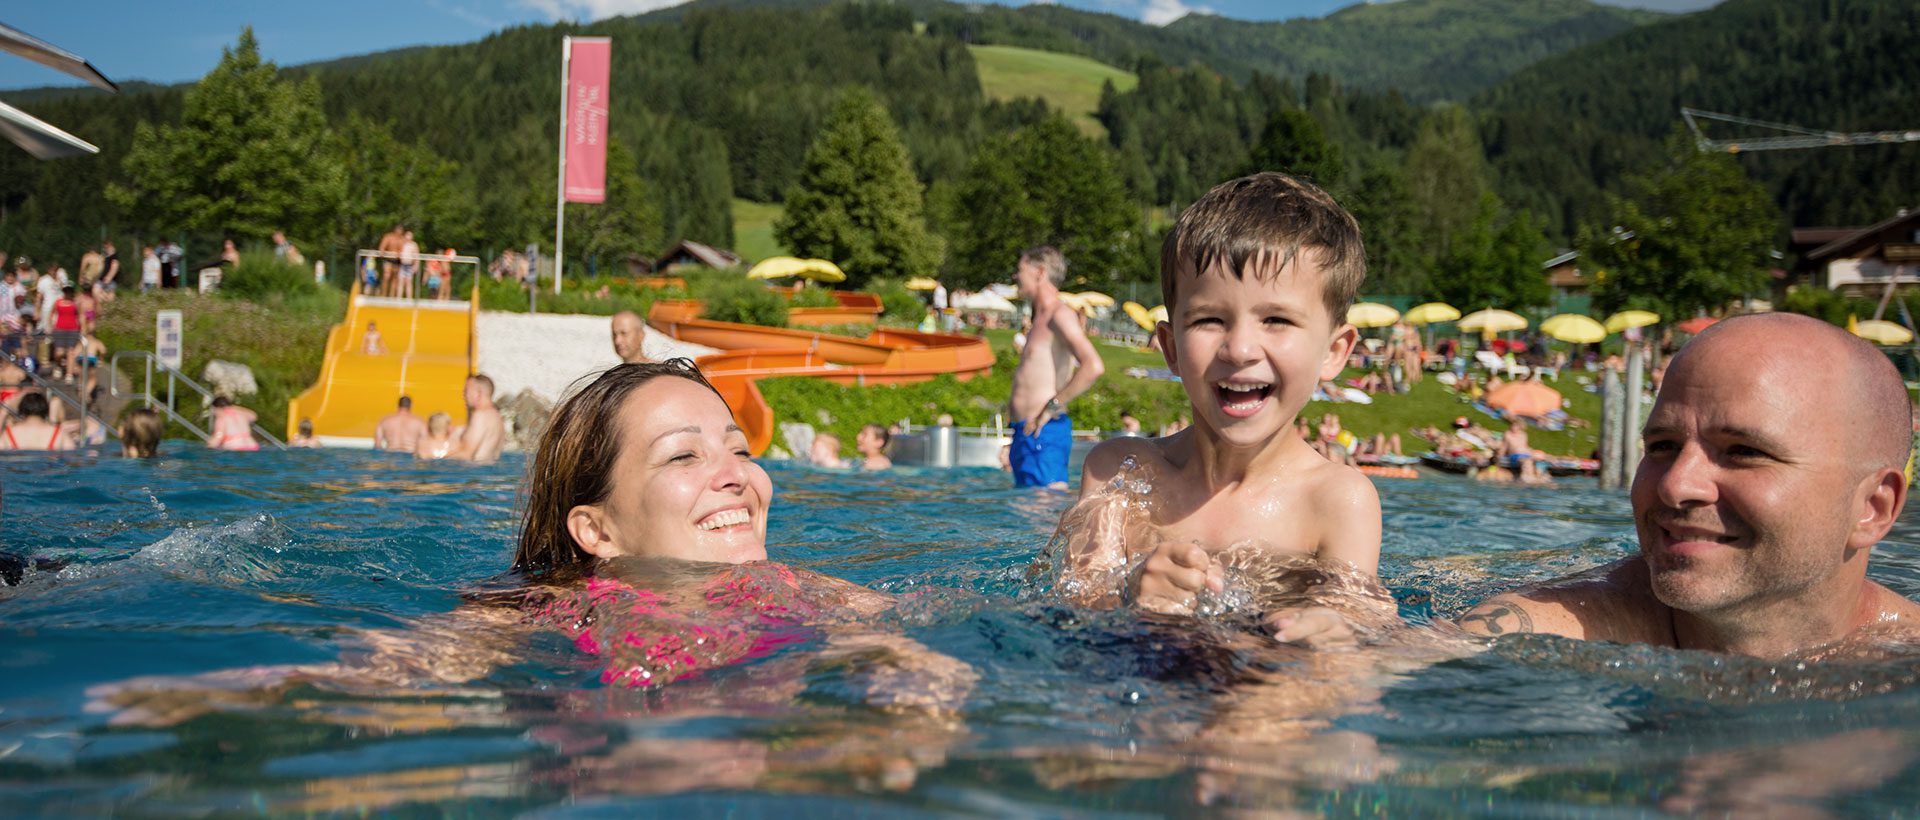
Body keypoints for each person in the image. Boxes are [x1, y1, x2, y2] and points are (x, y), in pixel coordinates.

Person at [1451, 313, 1920, 655]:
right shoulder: (1526, 639)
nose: (1676, 485)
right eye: (1662, 446)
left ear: (1872, 507)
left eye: (1743, 451)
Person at [1066, 172, 1380, 647]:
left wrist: (1336, 630)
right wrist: (1127, 593)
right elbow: (1068, 605)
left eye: (1276, 320)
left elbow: (1361, 621)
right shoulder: (1118, 471)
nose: (1239, 348)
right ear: (1171, 347)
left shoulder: (1336, 500)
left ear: (1335, 351)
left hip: (1263, 680)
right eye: (1210, 319)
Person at [1008, 246, 1105, 490]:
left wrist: (1052, 406)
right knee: (1027, 519)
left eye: (1020, 270)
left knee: (1043, 517)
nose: (1015, 276)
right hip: (1026, 433)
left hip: (1045, 432)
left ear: (1040, 272)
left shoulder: (1059, 315)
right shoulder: (1039, 319)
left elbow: (1093, 366)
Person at [450, 374, 505, 463]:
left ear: (479, 393)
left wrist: (436, 461)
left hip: (475, 473)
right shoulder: (497, 417)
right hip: (487, 472)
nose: (463, 395)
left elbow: (467, 455)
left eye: (466, 391)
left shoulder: (480, 415)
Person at [0, 393, 74, 452]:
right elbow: (72, 456)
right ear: (46, 410)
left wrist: (4, 411)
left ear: (21, 410)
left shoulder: (9, 433)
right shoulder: (58, 433)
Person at [377, 224, 405, 297]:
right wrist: (382, 251)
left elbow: (403, 250)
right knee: (386, 276)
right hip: (388, 259)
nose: (399, 233)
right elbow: (382, 247)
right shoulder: (388, 237)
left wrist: (399, 253)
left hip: (397, 261)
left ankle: (391, 296)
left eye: (401, 231)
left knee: (395, 278)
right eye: (398, 231)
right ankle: (383, 295)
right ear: (395, 231)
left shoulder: (402, 239)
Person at [397, 230, 419, 300]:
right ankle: (398, 298)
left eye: (410, 235)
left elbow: (417, 256)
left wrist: (416, 266)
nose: (408, 237)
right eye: (407, 235)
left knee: (409, 282)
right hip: (403, 265)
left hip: (410, 265)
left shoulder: (414, 245)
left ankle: (409, 298)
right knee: (401, 281)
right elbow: (398, 252)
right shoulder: (402, 244)